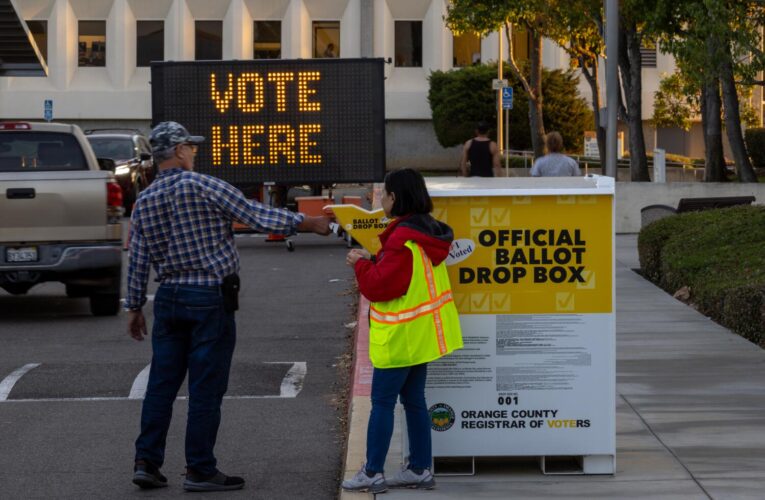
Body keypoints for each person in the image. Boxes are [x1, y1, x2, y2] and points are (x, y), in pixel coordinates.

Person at [125, 121, 331, 492]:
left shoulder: (144, 200)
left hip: (168, 297)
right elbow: (256, 215)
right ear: (180, 150)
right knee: (205, 387)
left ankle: (147, 462)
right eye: (192, 146)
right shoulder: (203, 185)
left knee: (161, 385)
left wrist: (135, 305)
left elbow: (138, 258)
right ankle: (200, 469)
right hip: (209, 297)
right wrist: (307, 222)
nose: (195, 152)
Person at [341, 169, 463, 493]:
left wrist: (360, 264)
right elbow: (405, 274)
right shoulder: (428, 231)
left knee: (381, 403)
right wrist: (374, 257)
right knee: (414, 401)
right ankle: (420, 469)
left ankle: (372, 472)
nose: (378, 199)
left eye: (383, 194)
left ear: (395, 198)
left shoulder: (401, 238)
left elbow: (380, 287)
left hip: (400, 338)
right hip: (422, 335)